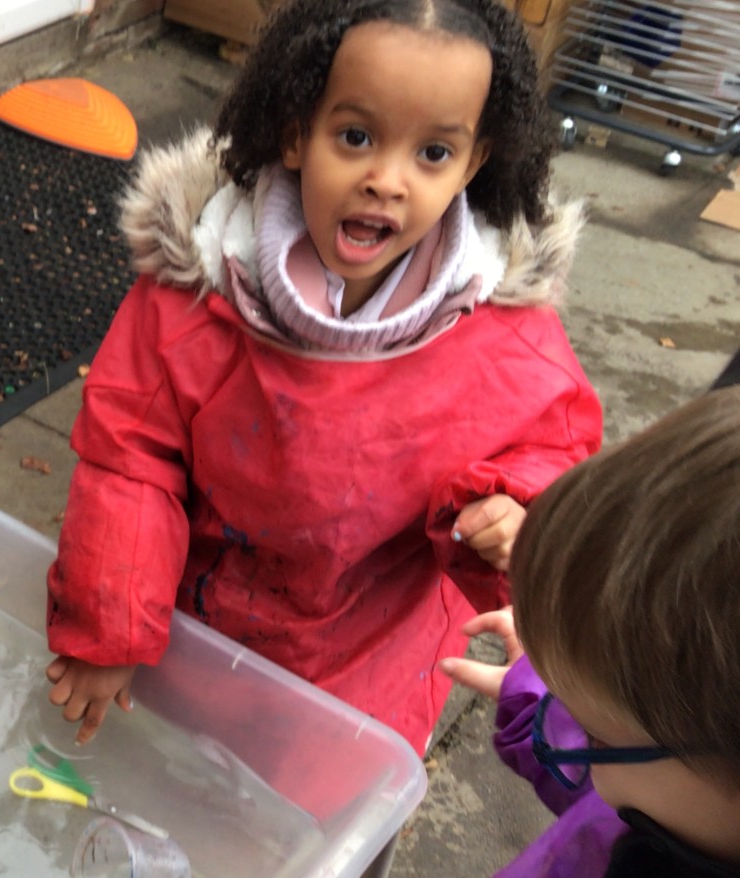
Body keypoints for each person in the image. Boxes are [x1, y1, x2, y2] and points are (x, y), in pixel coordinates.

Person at [43, 0, 602, 752]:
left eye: (433, 154)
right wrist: (107, 631)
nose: (386, 180)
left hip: (371, 668)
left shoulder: (504, 334)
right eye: (356, 136)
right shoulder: (197, 297)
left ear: (476, 162)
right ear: (295, 133)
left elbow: (554, 451)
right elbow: (129, 460)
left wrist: (518, 515)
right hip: (200, 633)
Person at [442, 388, 740, 876]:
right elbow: (608, 795)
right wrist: (538, 699)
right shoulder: (685, 799)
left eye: (592, 738)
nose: (584, 749)